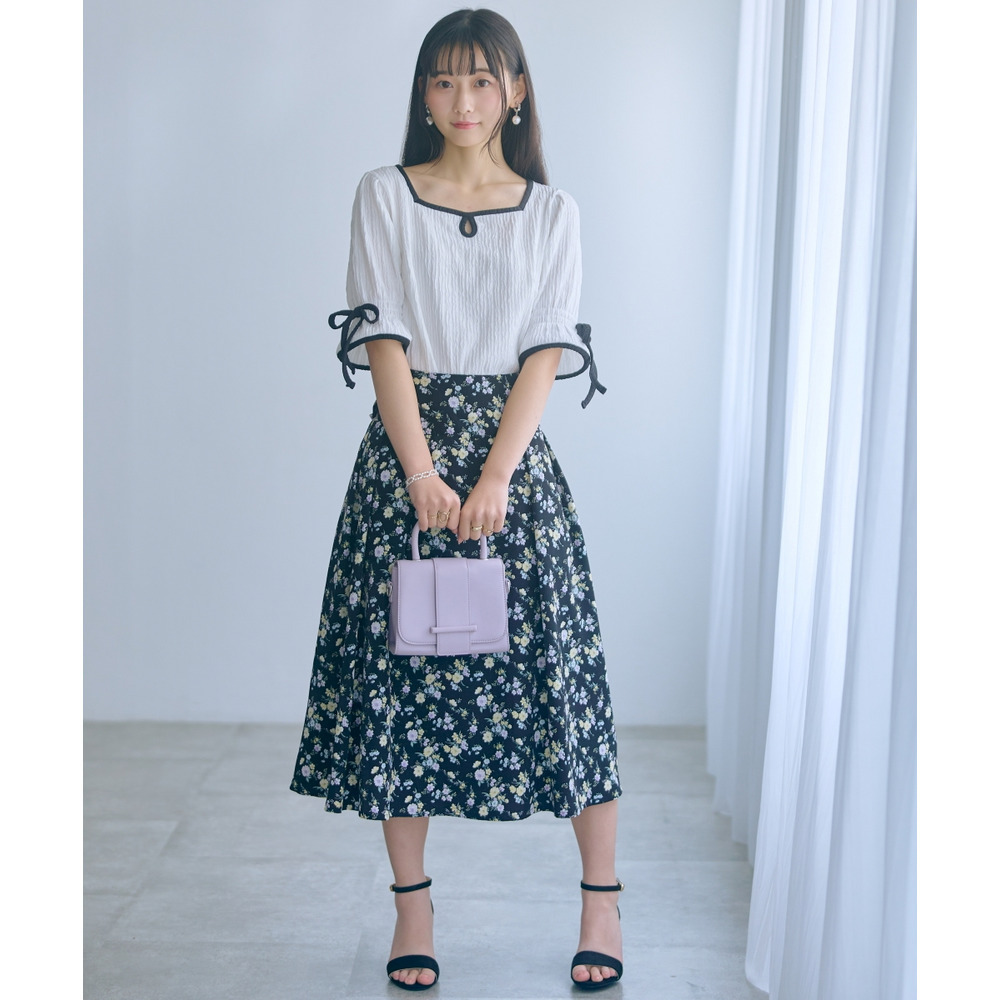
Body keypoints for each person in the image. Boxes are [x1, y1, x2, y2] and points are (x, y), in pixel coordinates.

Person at [290, 8, 623, 992]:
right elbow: (384, 338)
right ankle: (412, 907)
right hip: (407, 466)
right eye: (443, 81)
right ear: (422, 94)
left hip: (512, 470)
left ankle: (601, 900)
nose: (462, 100)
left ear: (515, 92)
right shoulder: (383, 195)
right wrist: (421, 473)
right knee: (400, 691)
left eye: (481, 80)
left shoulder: (553, 213)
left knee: (564, 682)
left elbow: (546, 349)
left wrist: (493, 477)